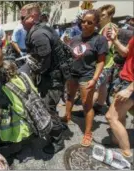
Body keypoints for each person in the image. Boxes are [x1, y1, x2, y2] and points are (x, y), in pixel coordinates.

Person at [18, 3, 66, 154]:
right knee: (48, 106)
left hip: (53, 78)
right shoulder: (40, 29)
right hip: (51, 76)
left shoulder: (38, 34)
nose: (20, 21)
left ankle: (58, 141)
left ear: (32, 17)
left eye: (22, 18)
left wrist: (32, 73)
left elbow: (43, 62)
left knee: (48, 108)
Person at [62, 10, 108, 146]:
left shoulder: (100, 39)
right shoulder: (75, 38)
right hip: (73, 73)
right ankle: (67, 116)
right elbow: (70, 56)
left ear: (96, 24)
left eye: (89, 22)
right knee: (69, 96)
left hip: (87, 75)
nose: (85, 24)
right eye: (83, 21)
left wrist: (94, 79)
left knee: (86, 104)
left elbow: (101, 61)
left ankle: (88, 133)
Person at [105, 26, 134, 161]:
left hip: (131, 84)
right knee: (119, 116)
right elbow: (126, 52)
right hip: (125, 79)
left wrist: (129, 89)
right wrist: (115, 40)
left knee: (111, 116)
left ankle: (126, 154)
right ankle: (117, 143)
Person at [93, 4, 118, 114]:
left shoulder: (108, 27)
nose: (101, 17)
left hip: (104, 63)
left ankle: (87, 110)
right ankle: (99, 106)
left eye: (103, 15)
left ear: (110, 15)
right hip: (108, 63)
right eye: (100, 15)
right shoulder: (109, 26)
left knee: (93, 87)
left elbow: (106, 46)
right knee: (102, 85)